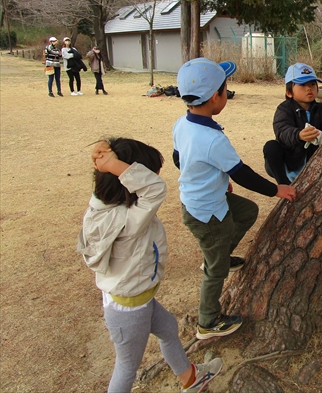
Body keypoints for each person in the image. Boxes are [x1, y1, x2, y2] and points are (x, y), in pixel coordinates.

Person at [77, 138, 223, 393]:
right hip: (129, 311)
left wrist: (107, 162)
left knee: (168, 328)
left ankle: (190, 379)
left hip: (135, 300)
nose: (153, 176)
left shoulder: (101, 208)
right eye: (145, 173)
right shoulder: (128, 220)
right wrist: (113, 164)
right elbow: (155, 188)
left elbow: (129, 184)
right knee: (126, 368)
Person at [172, 58, 297, 340]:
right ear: (216, 96)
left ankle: (220, 255)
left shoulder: (183, 124)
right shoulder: (213, 140)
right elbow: (243, 175)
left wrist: (213, 177)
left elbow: (179, 158)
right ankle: (208, 321)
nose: (227, 93)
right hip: (208, 214)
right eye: (226, 89)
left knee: (246, 211)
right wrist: (278, 189)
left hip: (197, 201)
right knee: (214, 270)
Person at [263, 62, 322, 185]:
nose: (309, 88)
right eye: (302, 85)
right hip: (289, 162)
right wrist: (299, 135)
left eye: (312, 84)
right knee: (271, 146)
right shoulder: (284, 109)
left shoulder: (320, 109)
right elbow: (282, 131)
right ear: (289, 92)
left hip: (312, 164)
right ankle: (284, 185)